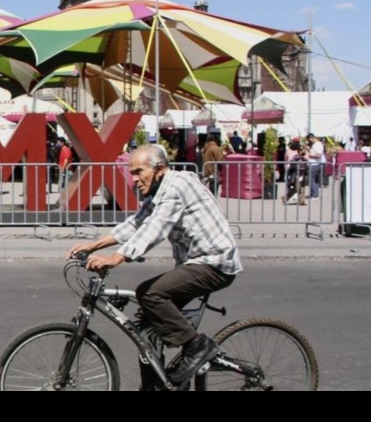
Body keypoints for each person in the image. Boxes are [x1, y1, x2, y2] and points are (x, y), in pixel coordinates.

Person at [67, 144, 242, 386]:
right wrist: (94, 245)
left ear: (159, 169)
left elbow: (156, 228)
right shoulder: (159, 191)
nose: (134, 179)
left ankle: (197, 346)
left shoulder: (176, 186)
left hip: (215, 262)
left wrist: (115, 258)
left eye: (139, 172)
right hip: (194, 263)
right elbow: (137, 223)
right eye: (132, 173)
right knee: (147, 332)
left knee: (150, 293)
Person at [306, 133, 324, 199]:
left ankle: (315, 194)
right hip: (313, 164)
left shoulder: (318, 145)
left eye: (309, 140)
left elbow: (318, 155)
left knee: (312, 180)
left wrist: (309, 155)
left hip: (314, 164)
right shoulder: (314, 145)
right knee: (313, 180)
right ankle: (313, 194)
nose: (309, 141)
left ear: (311, 138)